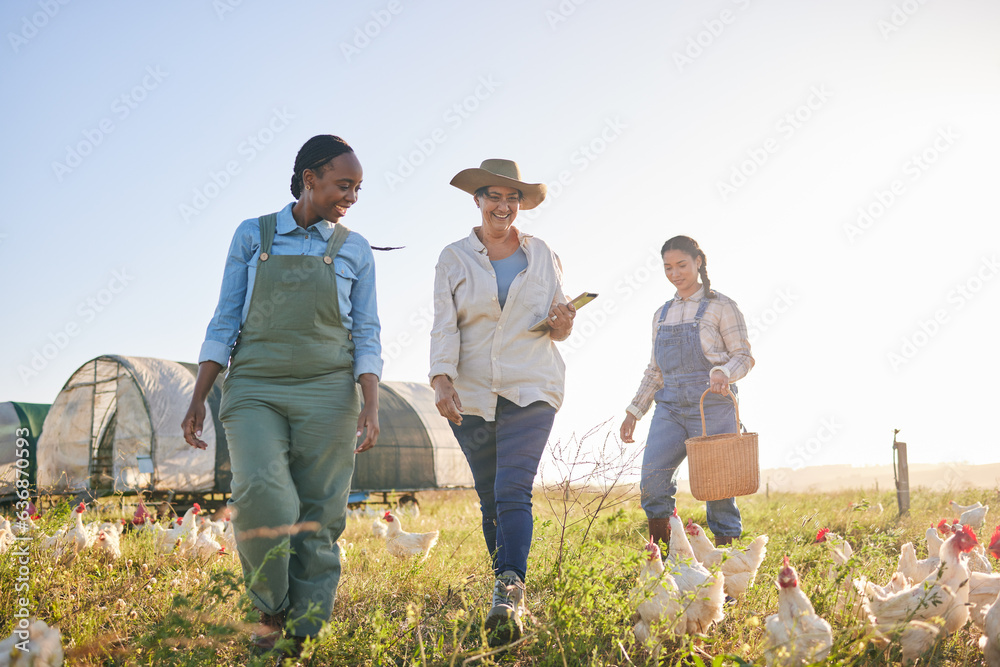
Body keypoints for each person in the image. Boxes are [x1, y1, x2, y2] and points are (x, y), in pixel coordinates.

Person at [181, 135, 382, 661]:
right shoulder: (254, 234)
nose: (352, 196)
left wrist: (372, 402)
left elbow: (367, 332)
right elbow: (225, 318)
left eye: (358, 188)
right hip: (254, 386)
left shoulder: (354, 249)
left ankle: (307, 627)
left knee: (320, 512)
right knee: (265, 496)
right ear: (309, 178)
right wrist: (199, 394)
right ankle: (269, 607)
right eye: (344, 184)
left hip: (329, 390)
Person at [429, 159, 576, 646]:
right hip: (469, 392)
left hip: (531, 385)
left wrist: (563, 321)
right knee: (490, 494)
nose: (503, 205)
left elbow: (559, 321)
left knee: (513, 488)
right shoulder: (454, 257)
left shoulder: (542, 255)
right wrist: (440, 380)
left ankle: (511, 588)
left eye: (512, 198)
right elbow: (444, 324)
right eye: (494, 195)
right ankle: (503, 589)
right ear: (477, 200)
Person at [620, 235, 754, 549]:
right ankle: (667, 562)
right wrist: (633, 411)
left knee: (719, 489)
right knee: (653, 483)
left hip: (713, 406)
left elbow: (744, 357)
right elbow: (656, 371)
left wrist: (724, 372)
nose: (675, 273)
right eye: (668, 267)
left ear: (698, 262)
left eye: (681, 265)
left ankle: (727, 568)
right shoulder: (661, 314)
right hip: (669, 409)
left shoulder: (722, 306)